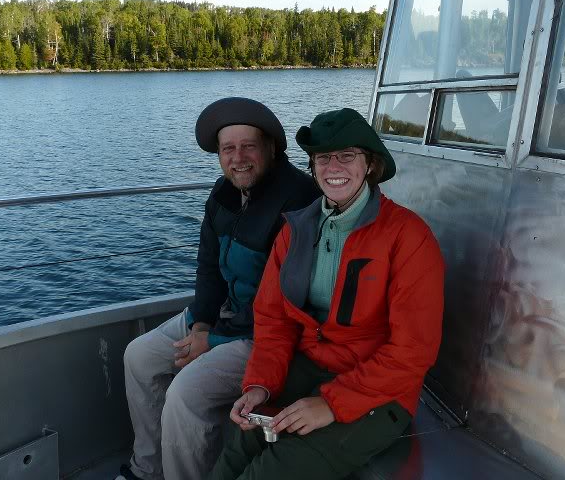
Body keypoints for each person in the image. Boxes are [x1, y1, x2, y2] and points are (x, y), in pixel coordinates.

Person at [209, 108, 445, 480]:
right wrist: (259, 386)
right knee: (236, 449)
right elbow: (273, 320)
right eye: (323, 157)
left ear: (370, 164)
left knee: (275, 469)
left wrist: (331, 404)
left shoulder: (409, 237)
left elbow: (413, 351)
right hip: (308, 367)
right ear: (314, 167)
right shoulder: (296, 230)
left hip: (382, 391)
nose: (334, 166)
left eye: (347, 156)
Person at [119, 97, 319, 480]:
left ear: (271, 149)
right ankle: (147, 469)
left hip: (263, 333)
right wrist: (201, 326)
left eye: (249, 147)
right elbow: (208, 267)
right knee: (138, 356)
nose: (238, 158)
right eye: (228, 149)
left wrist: (211, 342)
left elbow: (283, 301)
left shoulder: (298, 201)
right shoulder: (223, 194)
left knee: (185, 396)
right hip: (221, 319)